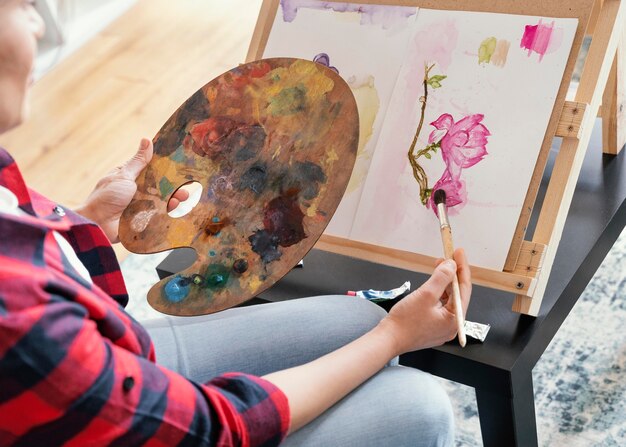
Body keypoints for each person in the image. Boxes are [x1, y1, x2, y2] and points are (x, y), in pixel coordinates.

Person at [0, 1, 472, 446]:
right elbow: (215, 430)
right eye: (21, 7)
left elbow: (57, 292)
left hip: (99, 366)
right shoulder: (19, 317)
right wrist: (394, 337)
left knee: (360, 318)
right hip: (124, 412)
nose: (41, 26)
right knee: (417, 405)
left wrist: (88, 226)